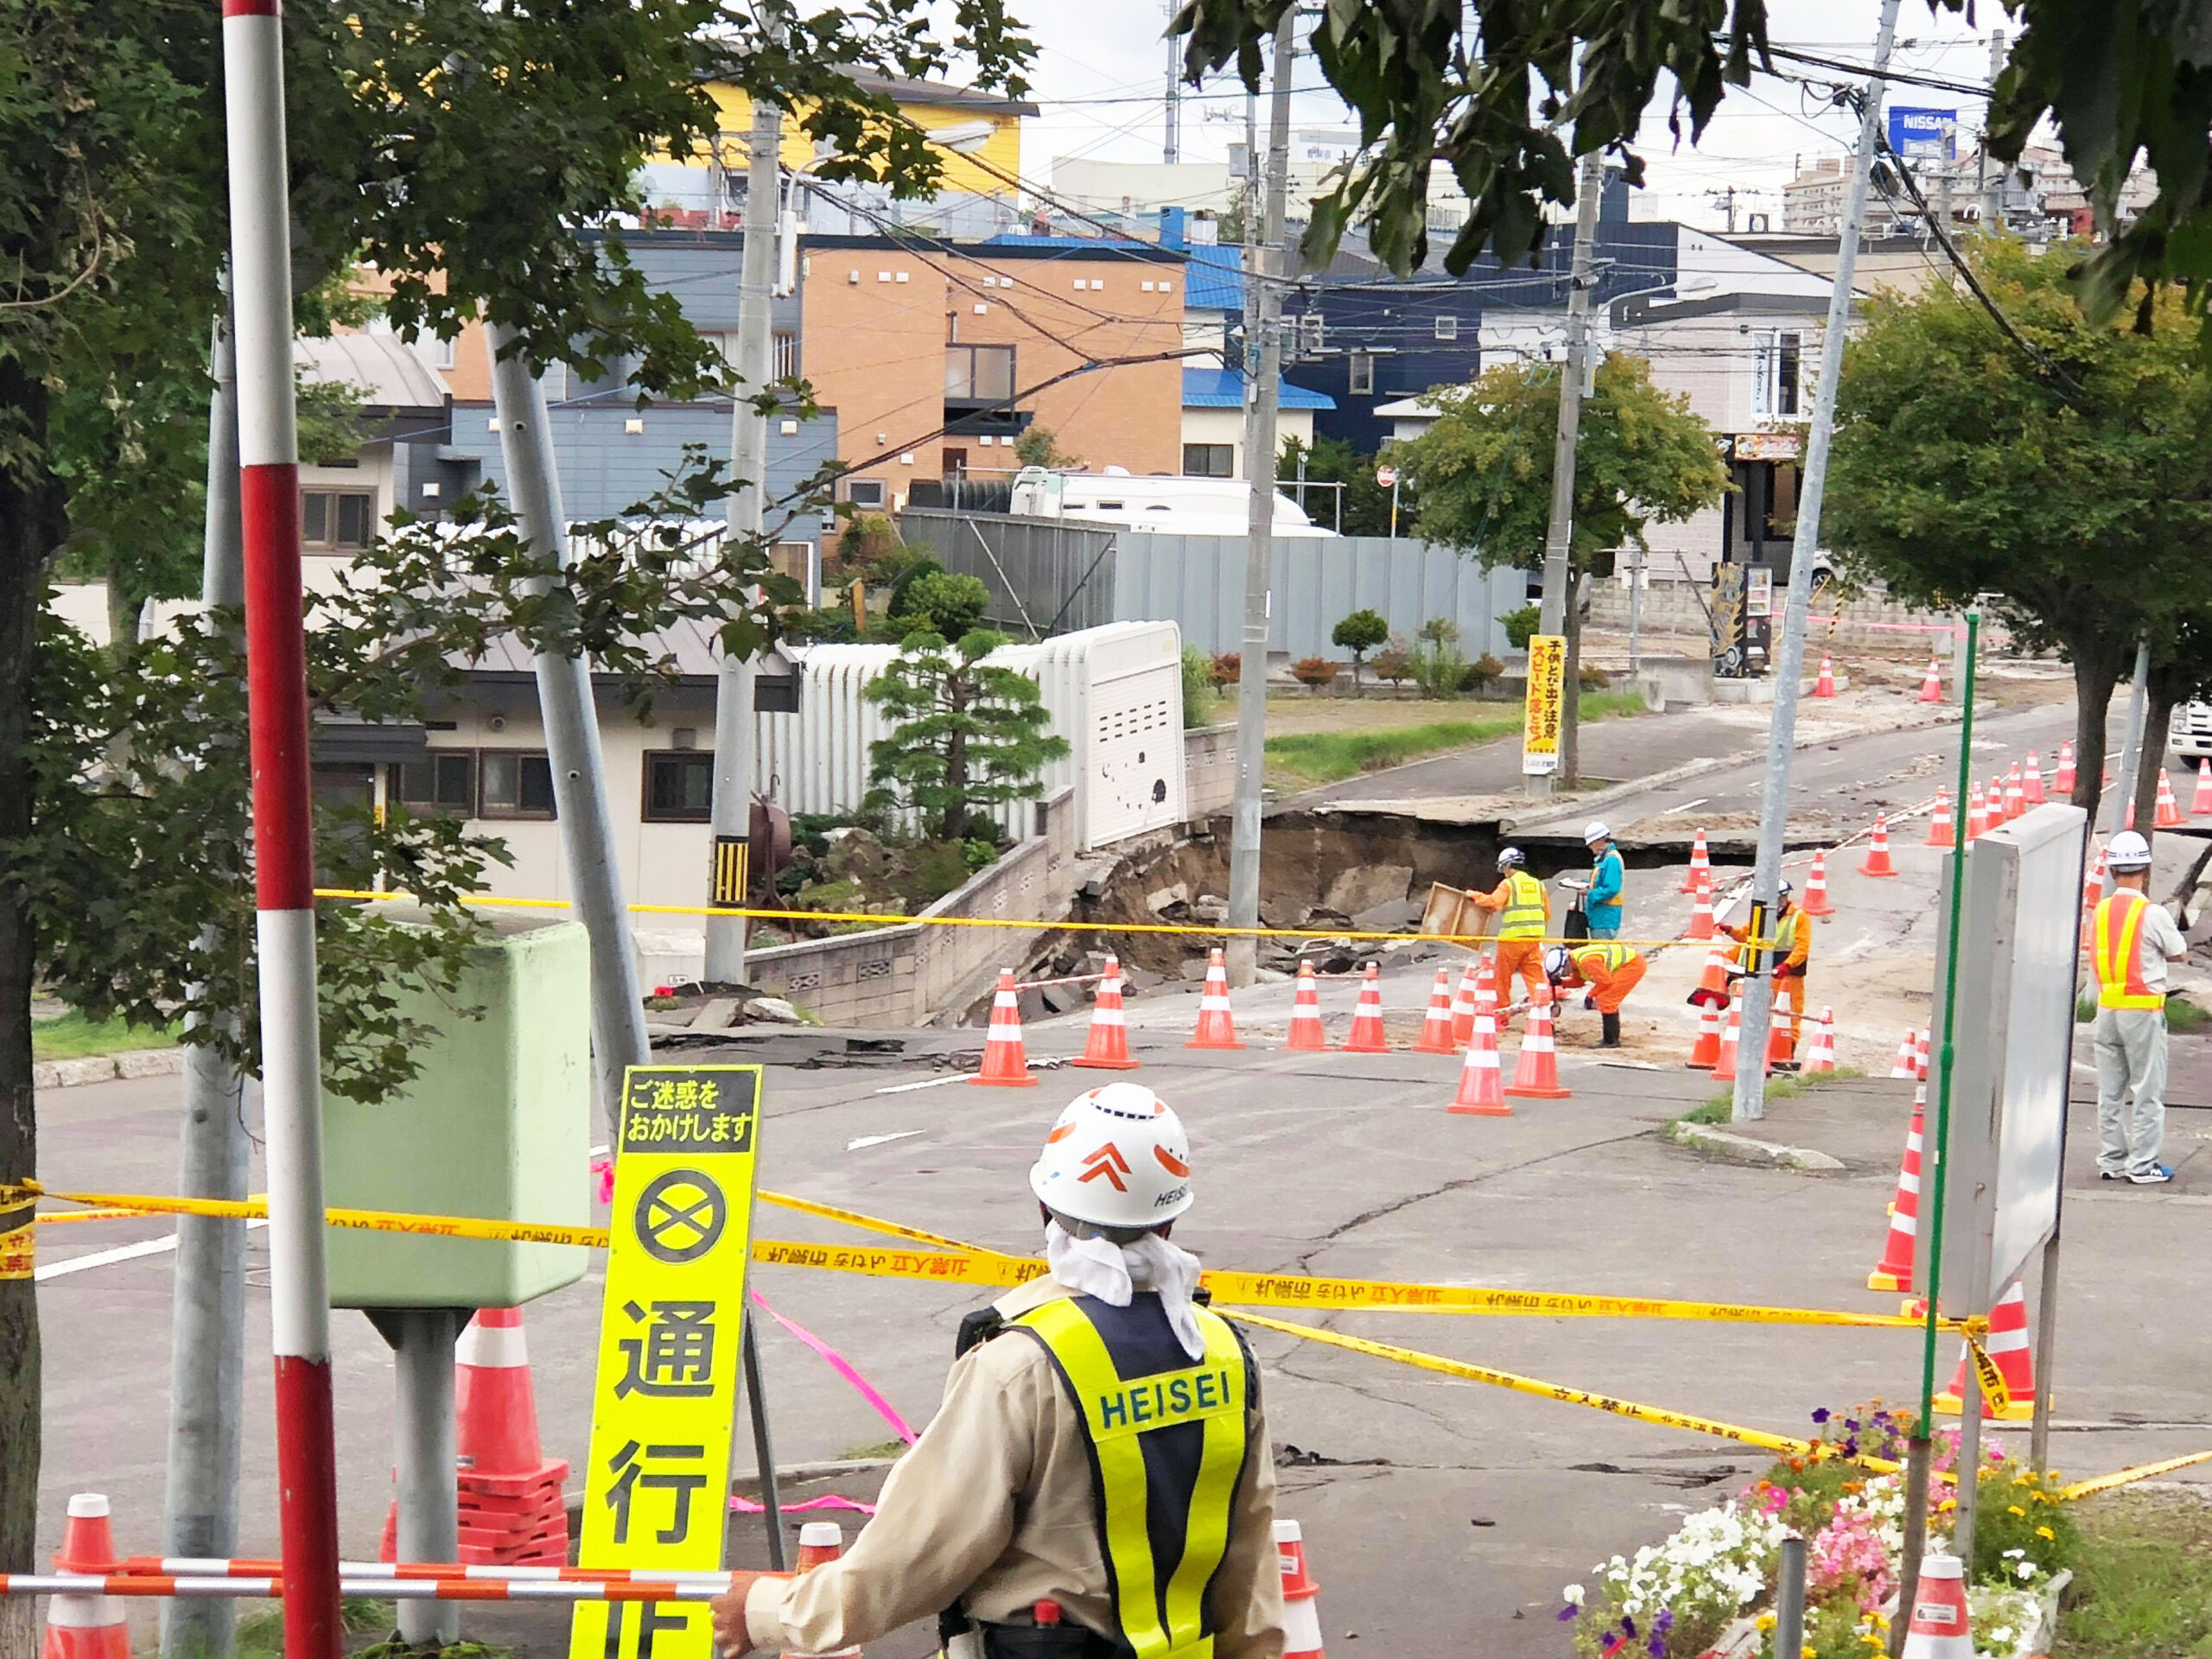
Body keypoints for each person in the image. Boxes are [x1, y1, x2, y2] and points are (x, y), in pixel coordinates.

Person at [710, 1083, 1284, 1658]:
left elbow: (915, 1554)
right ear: (1170, 1221)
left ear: (1045, 1209)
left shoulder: (1022, 1366)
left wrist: (765, 1611)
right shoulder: (1223, 1352)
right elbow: (1250, 1562)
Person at [2090, 830, 2187, 1185]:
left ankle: (2111, 1159)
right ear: (2145, 870)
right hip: (2142, 1010)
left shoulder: (2101, 911)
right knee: (2147, 1091)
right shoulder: (2152, 913)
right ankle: (2143, 1165)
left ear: (2113, 871)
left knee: (2110, 1092)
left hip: (2107, 1010)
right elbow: (2179, 952)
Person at [1717, 879, 1812, 1060]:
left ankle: (1785, 1052)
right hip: (1765, 971)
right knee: (1760, 1013)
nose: (1781, 900)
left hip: (1788, 974)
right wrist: (1731, 931)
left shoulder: (1798, 917)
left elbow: (1802, 947)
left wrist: (1788, 965)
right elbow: (1747, 935)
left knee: (1789, 1012)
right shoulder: (1762, 914)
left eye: (1782, 897)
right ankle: (1760, 1051)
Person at [1469, 846, 1549, 1015]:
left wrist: (1475, 895)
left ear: (1508, 865)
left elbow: (1494, 903)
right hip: (1533, 939)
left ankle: (1503, 1015)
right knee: (1536, 978)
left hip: (1511, 941)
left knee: (1503, 979)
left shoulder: (1508, 884)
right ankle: (1543, 1015)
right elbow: (1547, 913)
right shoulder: (1538, 885)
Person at [1544, 939, 1646, 1048]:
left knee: (1607, 1000)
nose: (1565, 974)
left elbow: (1606, 982)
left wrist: (1591, 995)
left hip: (1632, 965)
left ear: (1565, 964)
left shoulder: (1587, 961)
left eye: (1563, 972)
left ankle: (1611, 1041)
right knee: (1606, 999)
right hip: (1629, 963)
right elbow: (1578, 982)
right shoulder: (1575, 960)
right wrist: (1561, 983)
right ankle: (1610, 1039)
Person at [1582, 821, 1625, 939]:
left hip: (1605, 919)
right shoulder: (1605, 859)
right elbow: (1600, 883)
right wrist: (1584, 884)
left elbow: (1611, 889)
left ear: (1600, 840)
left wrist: (1589, 893)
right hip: (1600, 918)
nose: (1590, 847)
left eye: (1591, 843)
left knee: (1601, 950)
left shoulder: (1611, 860)